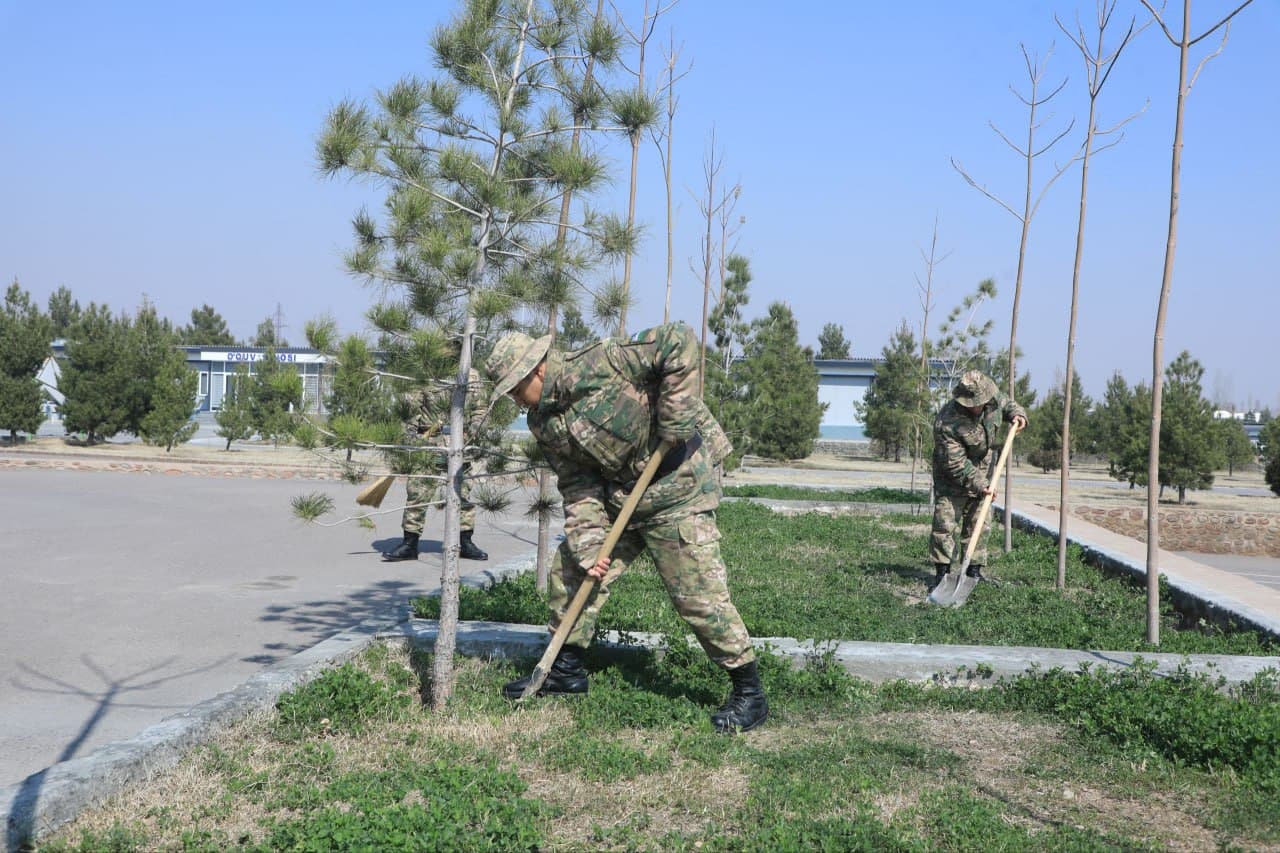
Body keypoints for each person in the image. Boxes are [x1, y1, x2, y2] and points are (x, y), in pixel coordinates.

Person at [483, 322, 767, 734]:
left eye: (513, 387)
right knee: (572, 571)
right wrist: (587, 544)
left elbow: (678, 341)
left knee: (696, 593)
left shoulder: (602, 362)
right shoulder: (542, 422)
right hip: (623, 496)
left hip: (678, 484)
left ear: (537, 371)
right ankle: (565, 671)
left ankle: (749, 692)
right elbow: (577, 483)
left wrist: (675, 414)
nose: (513, 399)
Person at [930, 369, 1028, 588]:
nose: (980, 405)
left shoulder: (992, 399)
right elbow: (955, 463)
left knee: (979, 523)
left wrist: (1018, 415)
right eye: (975, 402)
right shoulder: (946, 422)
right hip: (952, 478)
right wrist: (982, 484)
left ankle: (973, 571)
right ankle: (942, 573)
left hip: (984, 470)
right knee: (945, 524)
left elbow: (1008, 403)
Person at [385, 369, 488, 562]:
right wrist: (408, 439)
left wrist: (476, 430)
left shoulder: (472, 375)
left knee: (463, 495)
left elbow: (480, 409)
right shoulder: (429, 367)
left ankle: (465, 542)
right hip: (429, 444)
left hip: (460, 444)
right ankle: (410, 543)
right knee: (418, 493)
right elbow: (410, 408)